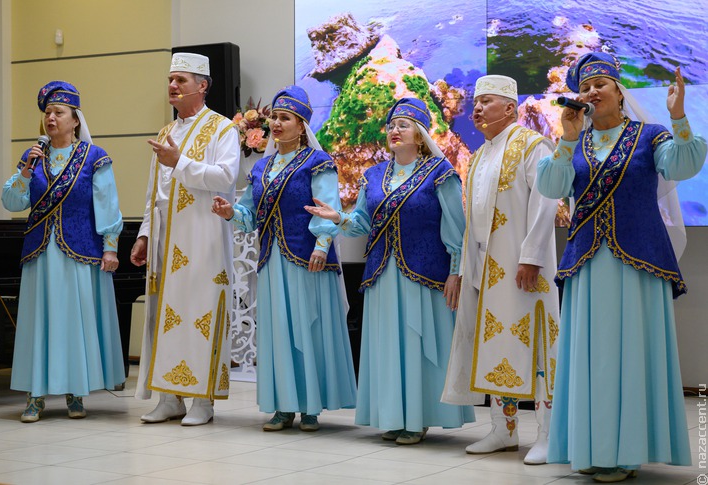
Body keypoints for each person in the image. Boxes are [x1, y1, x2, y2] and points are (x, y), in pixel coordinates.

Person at [537, 52, 706, 483]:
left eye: (601, 85)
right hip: (588, 264)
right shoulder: (576, 141)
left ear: (618, 91)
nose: (592, 92)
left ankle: (626, 451)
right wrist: (567, 140)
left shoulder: (650, 137)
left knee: (631, 350)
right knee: (592, 355)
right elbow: (551, 187)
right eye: (586, 87)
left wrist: (679, 115)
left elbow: (685, 165)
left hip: (639, 263)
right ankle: (591, 447)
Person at [306, 97, 474, 445]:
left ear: (420, 133)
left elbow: (457, 229)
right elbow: (361, 225)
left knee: (418, 341)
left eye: (403, 125)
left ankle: (418, 418)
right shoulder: (375, 175)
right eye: (391, 125)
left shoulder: (440, 173)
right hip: (382, 273)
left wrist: (456, 271)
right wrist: (338, 218)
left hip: (426, 273)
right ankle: (394, 416)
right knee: (388, 343)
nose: (394, 131)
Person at [211, 86, 357, 432]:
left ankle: (309, 407)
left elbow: (327, 206)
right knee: (277, 329)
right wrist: (232, 211)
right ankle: (282, 404)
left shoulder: (317, 162)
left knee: (308, 326)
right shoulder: (261, 168)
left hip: (308, 257)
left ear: (302, 125)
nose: (276, 123)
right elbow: (249, 215)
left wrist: (322, 245)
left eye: (284, 118)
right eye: (274, 117)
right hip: (272, 259)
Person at [441, 75, 560, 465]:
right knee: (493, 346)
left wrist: (532, 257)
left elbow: (546, 204)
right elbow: (472, 220)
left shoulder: (532, 145)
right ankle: (503, 430)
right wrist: (460, 269)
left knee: (538, 345)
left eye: (486, 101)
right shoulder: (479, 155)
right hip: (483, 268)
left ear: (510, 107)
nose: (476, 109)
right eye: (476, 102)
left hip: (522, 268)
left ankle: (547, 434)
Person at [1, 81, 125, 422]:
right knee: (39, 320)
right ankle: (35, 393)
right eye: (47, 113)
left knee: (74, 320)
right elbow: (12, 201)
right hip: (41, 254)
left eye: (58, 113)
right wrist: (25, 171)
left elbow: (107, 204)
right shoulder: (33, 158)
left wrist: (110, 248)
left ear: (75, 120)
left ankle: (75, 392)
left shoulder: (93, 157)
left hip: (80, 250)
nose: (51, 119)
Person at [131, 52, 240, 426]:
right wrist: (145, 235)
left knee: (201, 312)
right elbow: (154, 192)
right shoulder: (164, 132)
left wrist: (180, 162)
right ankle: (169, 396)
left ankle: (202, 402)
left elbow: (225, 178)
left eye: (181, 80)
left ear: (202, 86)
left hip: (202, 237)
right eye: (170, 80)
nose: (173, 87)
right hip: (165, 238)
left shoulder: (223, 129)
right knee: (165, 315)